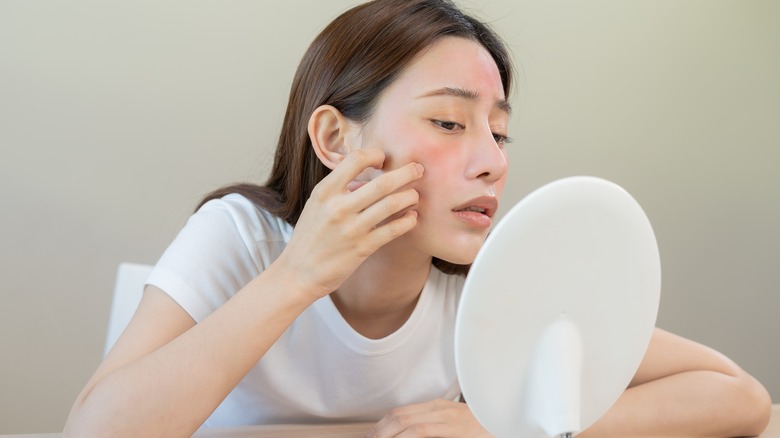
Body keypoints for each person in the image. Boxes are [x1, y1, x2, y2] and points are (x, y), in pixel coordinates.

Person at [64, 0, 771, 436]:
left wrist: (509, 427)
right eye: (448, 121)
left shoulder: (489, 282)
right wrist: (298, 277)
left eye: (499, 131)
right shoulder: (239, 236)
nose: (492, 160)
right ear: (337, 140)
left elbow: (739, 398)